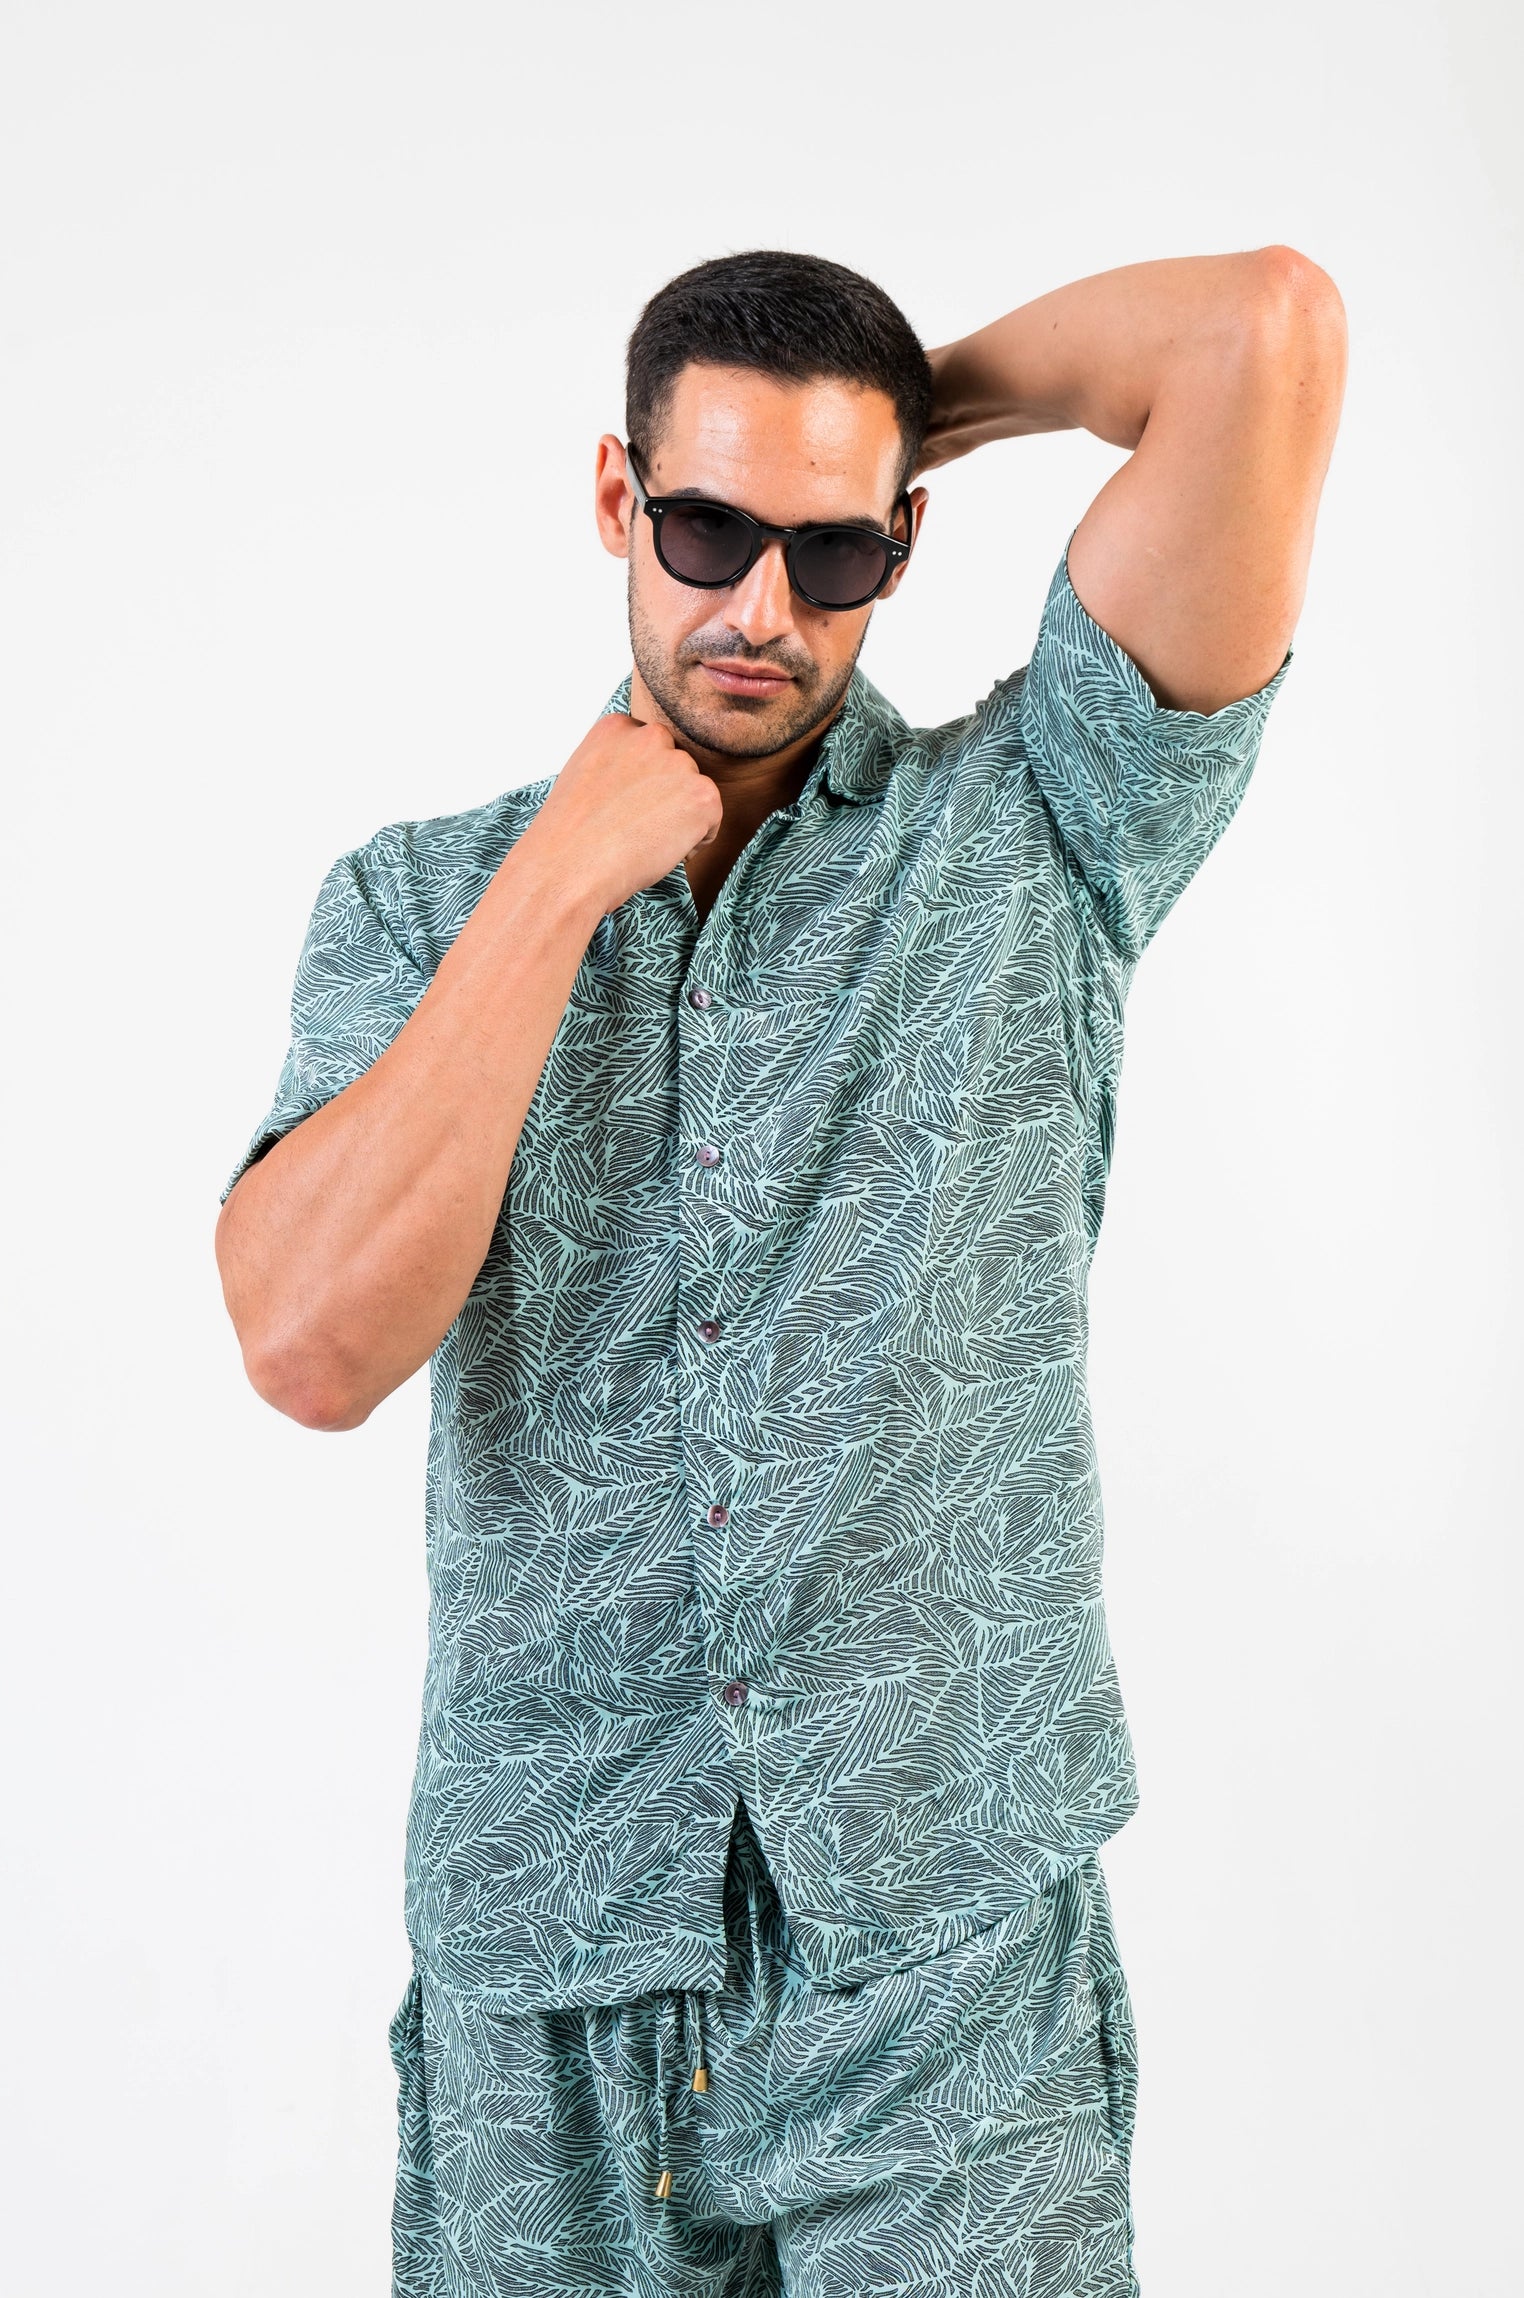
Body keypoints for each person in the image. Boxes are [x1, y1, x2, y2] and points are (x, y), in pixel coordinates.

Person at [216, 246, 1346, 2297]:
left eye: (832, 552)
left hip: (939, 1980)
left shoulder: (1035, 826)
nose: (759, 606)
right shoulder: (416, 905)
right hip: (549, 1980)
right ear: (614, 498)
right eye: (708, 528)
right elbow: (307, 1344)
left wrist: (920, 407)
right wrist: (558, 883)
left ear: (903, 543)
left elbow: (1261, 333)